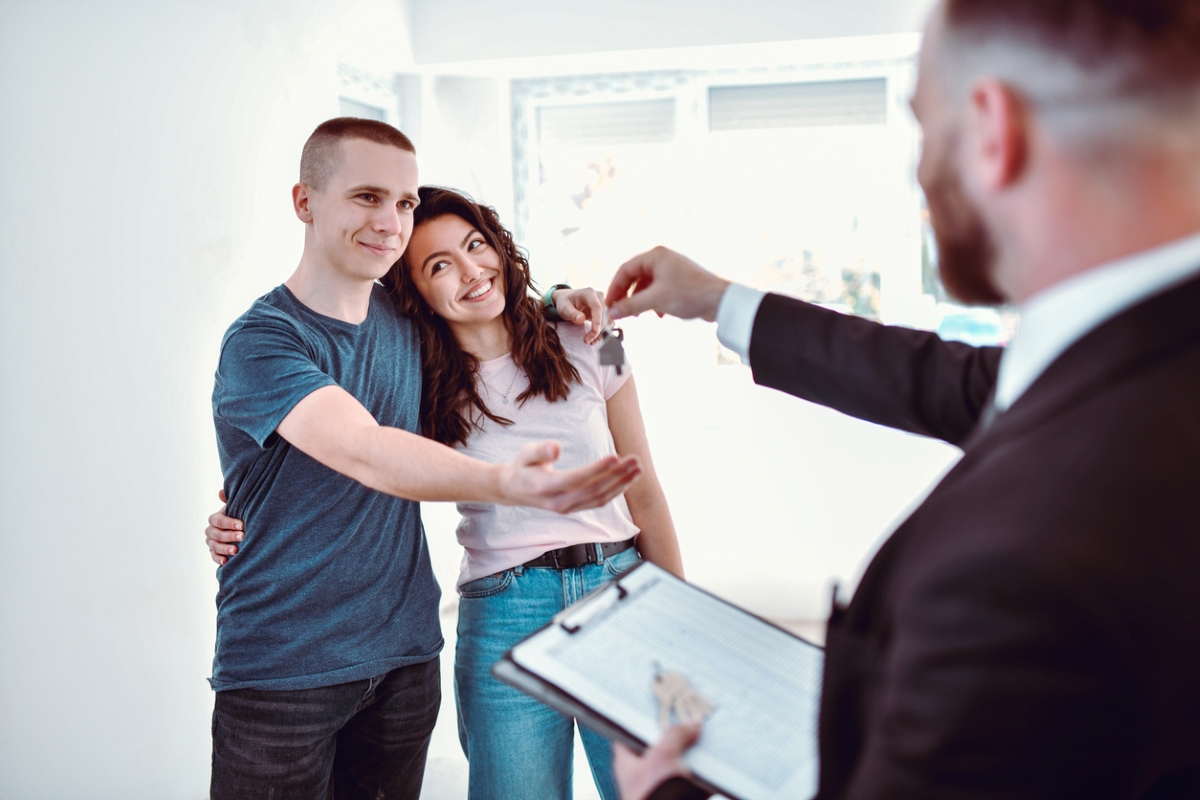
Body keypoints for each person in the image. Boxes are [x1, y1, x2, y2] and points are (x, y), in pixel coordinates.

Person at [604, 0, 1200, 798]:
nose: (917, 171)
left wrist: (668, 792)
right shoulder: (1145, 363)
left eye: (922, 124)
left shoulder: (1013, 578)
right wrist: (718, 300)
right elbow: (951, 381)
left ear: (993, 129)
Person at [208, 117, 641, 800]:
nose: (390, 220)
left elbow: (491, 305)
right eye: (367, 197)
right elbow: (364, 449)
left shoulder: (420, 327)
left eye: (404, 203)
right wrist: (512, 485)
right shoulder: (272, 342)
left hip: (406, 660)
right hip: (290, 671)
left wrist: (565, 296)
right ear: (305, 202)